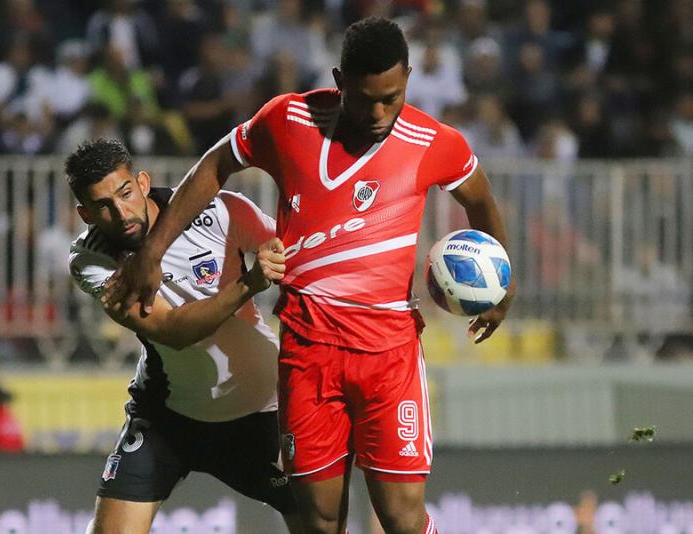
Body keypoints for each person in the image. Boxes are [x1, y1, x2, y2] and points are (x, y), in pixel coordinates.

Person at [101, 17, 516, 534]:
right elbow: (214, 165)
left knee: (403, 519)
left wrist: (503, 280)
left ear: (408, 77)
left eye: (393, 96)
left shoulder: (434, 141)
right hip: (308, 352)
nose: (381, 112)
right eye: (367, 99)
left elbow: (479, 198)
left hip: (389, 353)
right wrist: (153, 252)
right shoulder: (288, 120)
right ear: (340, 82)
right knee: (320, 520)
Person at [64, 139, 301, 534]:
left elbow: (295, 262)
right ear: (84, 213)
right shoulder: (90, 260)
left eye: (125, 194)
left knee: (321, 521)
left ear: (142, 182)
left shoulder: (220, 210)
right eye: (103, 206)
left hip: (259, 409)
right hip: (169, 417)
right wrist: (249, 283)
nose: (121, 214)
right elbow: (173, 332)